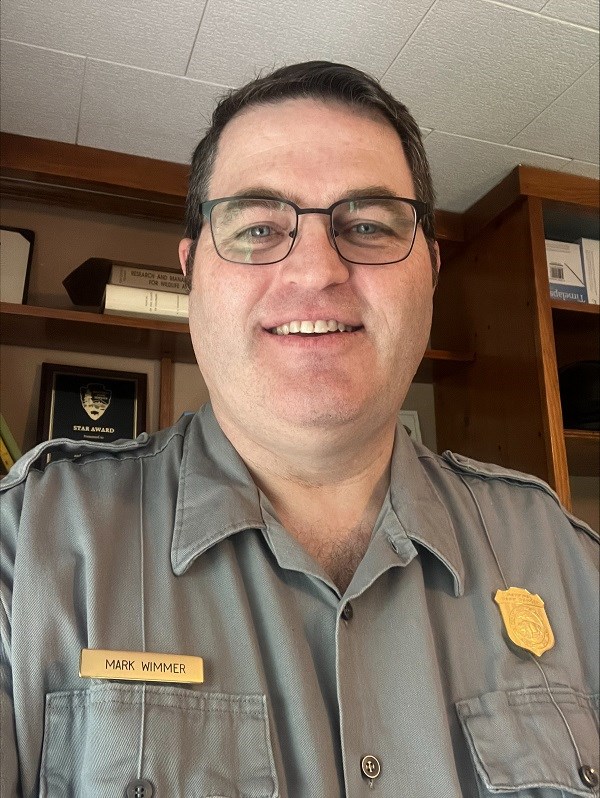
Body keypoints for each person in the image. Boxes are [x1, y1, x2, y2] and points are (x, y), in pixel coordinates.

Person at [1, 61, 598, 798]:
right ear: (194, 275)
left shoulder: (569, 566)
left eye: (370, 226)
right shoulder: (25, 548)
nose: (316, 269)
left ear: (432, 273)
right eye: (256, 226)